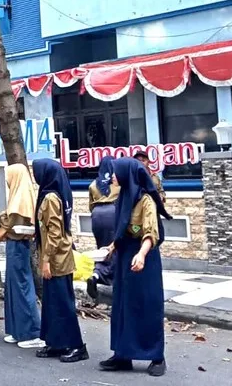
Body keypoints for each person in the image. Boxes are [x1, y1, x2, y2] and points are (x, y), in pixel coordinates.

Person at [100, 157, 170, 377]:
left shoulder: (146, 200)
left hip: (143, 257)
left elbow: (151, 232)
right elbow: (123, 228)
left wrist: (141, 254)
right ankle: (123, 355)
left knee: (146, 306)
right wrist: (111, 246)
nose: (111, 176)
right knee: (123, 306)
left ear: (126, 174)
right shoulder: (124, 196)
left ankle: (157, 356)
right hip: (125, 255)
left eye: (115, 172)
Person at [31, 159, 89, 362]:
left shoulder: (50, 198)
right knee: (51, 303)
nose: (34, 175)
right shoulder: (52, 194)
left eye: (36, 171)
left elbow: (55, 233)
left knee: (62, 303)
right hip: (54, 256)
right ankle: (55, 342)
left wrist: (46, 260)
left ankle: (76, 346)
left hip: (57, 259)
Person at [0, 164, 43, 349]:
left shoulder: (21, 197)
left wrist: (2, 218)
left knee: (22, 286)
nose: (7, 180)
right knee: (13, 287)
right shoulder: (17, 195)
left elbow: (9, 223)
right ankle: (17, 329)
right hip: (13, 245)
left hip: (18, 245)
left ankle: (31, 331)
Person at [86, 156, 120, 298]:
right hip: (113, 213)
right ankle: (110, 277)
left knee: (102, 248)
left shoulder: (94, 184)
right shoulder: (118, 182)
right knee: (115, 247)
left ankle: (96, 274)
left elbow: (91, 205)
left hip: (97, 215)